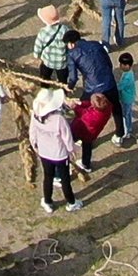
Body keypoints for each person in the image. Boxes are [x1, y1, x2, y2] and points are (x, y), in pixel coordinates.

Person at [29, 84, 80, 215]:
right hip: (60, 155)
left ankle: (47, 202)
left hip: (44, 153)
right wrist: (72, 150)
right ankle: (71, 202)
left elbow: (32, 132)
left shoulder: (35, 116)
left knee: (48, 177)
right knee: (65, 180)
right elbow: (67, 137)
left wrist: (34, 145)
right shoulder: (59, 119)